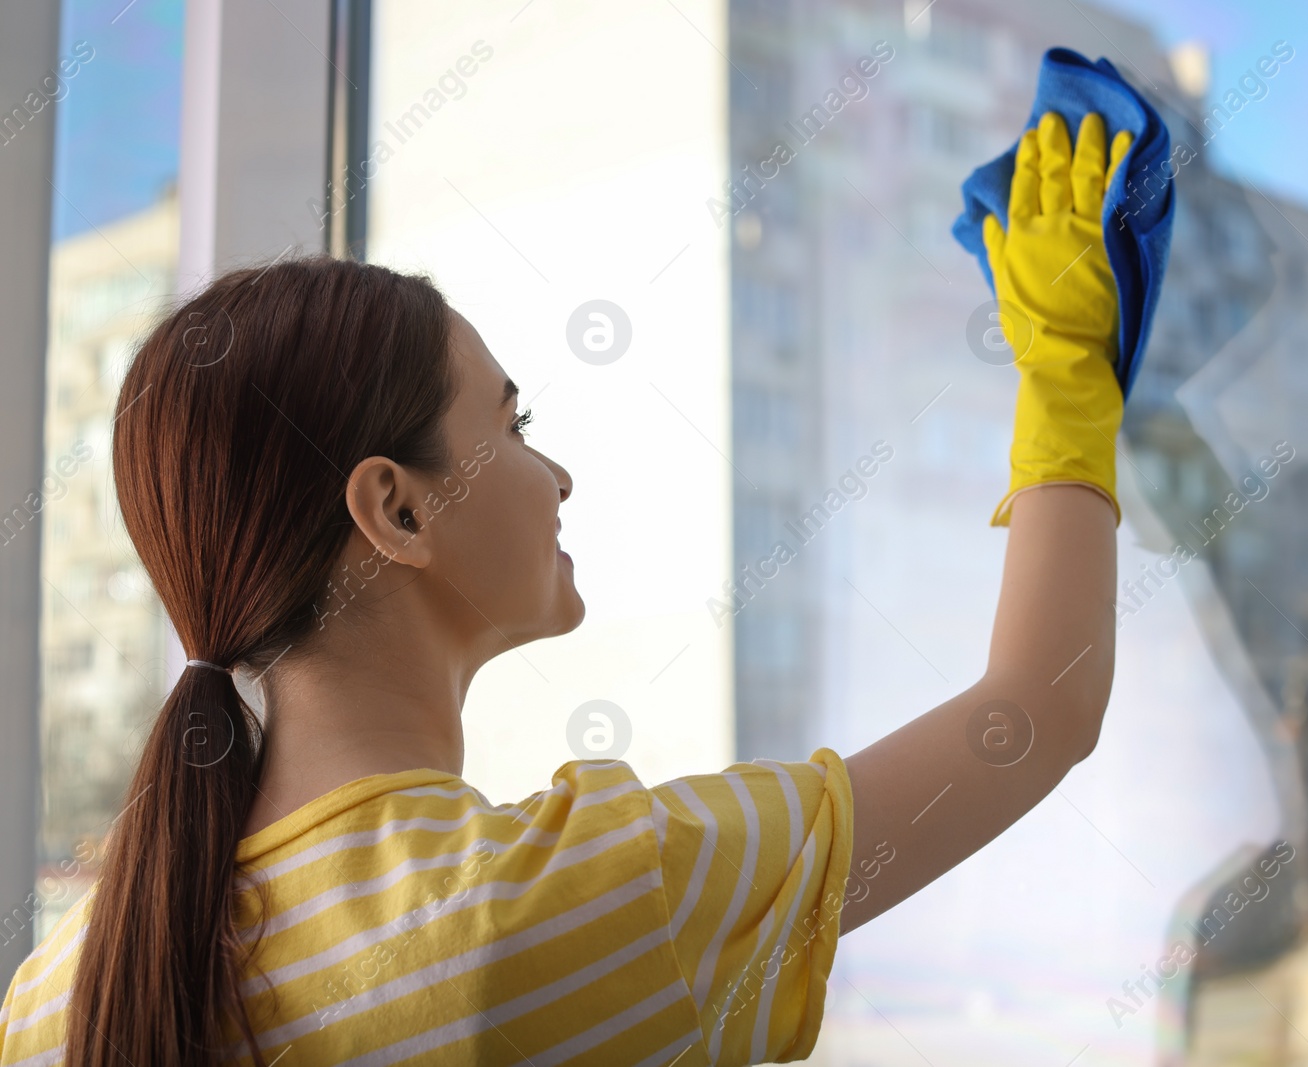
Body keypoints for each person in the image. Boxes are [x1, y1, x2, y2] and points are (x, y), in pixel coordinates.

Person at [0, 111, 1133, 1066]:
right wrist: (1065, 372)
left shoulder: (55, 992)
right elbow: (1035, 713)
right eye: (513, 422)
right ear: (395, 511)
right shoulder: (558, 903)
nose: (557, 474)